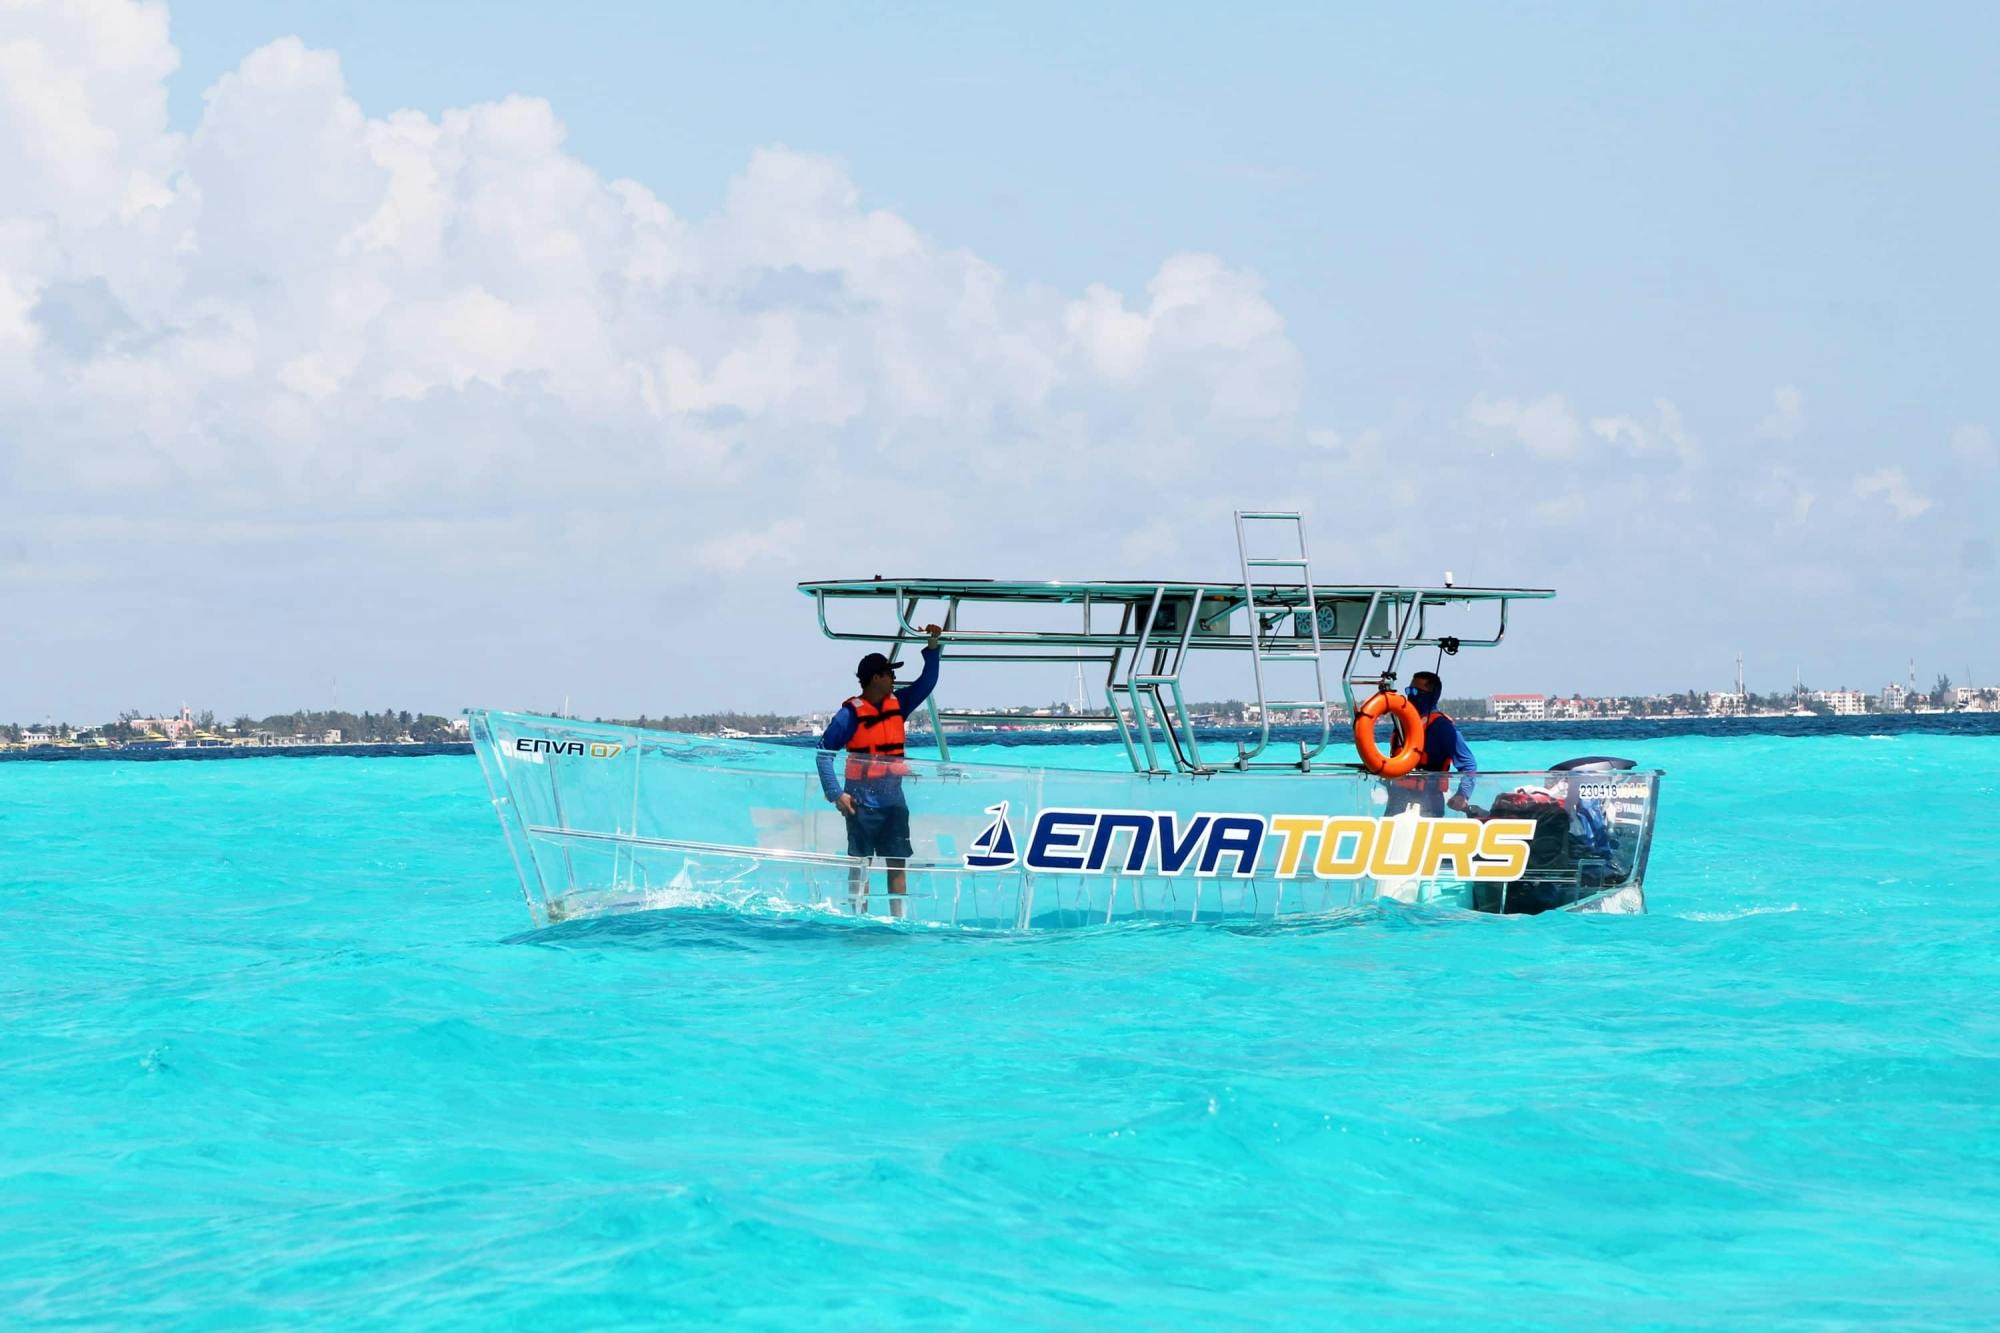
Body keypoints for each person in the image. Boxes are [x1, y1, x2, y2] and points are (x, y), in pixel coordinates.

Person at [816, 625, 943, 916]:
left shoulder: (900, 703)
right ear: (876, 678)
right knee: (860, 865)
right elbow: (823, 755)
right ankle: (858, 917)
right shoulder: (849, 714)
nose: (894, 678)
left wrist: (933, 645)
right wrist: (837, 794)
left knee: (897, 861)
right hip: (860, 803)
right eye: (890, 674)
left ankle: (898, 917)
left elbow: (928, 681)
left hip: (893, 803)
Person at [1387, 670, 1478, 817]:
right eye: (1409, 690)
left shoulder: (1442, 726)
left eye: (1416, 691)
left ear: (1431, 696)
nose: (1410, 695)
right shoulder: (1403, 723)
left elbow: (1468, 764)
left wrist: (1462, 795)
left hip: (1428, 801)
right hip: (1397, 799)